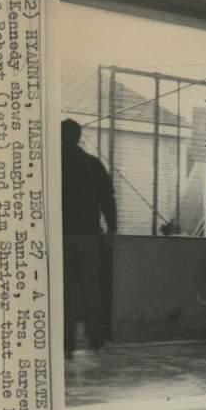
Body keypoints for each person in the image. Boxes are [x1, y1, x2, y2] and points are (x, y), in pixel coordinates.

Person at [61, 118, 117, 358]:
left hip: (62, 234)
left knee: (65, 290)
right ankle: (95, 338)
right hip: (89, 234)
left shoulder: (53, 164)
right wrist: (112, 229)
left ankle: (67, 341)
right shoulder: (93, 164)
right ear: (79, 137)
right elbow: (107, 199)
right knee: (91, 287)